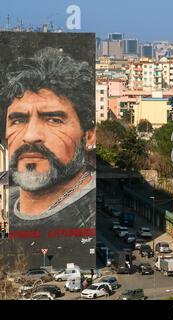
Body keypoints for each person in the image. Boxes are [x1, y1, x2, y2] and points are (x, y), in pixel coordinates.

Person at [1, 47, 96, 269]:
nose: (31, 136)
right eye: (18, 120)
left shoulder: (88, 213)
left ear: (88, 136)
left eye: (53, 120)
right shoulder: (7, 200)